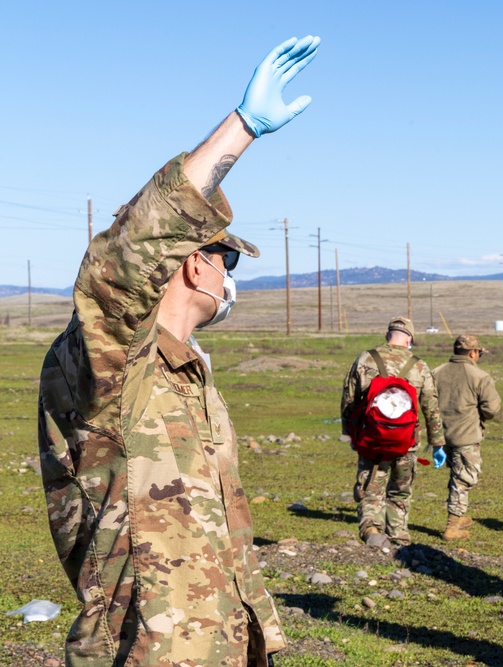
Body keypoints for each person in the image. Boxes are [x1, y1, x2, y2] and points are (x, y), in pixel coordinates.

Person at [37, 36, 320, 666]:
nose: (230, 280)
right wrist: (239, 131)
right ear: (194, 264)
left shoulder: (187, 371)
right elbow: (120, 263)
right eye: (226, 263)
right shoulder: (109, 365)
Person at [341, 317, 445, 547]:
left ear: (387, 335)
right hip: (406, 442)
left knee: (371, 487)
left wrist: (349, 432)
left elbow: (349, 398)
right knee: (400, 491)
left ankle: (371, 530)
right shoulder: (419, 365)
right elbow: (431, 406)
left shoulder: (365, 358)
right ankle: (399, 537)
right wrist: (438, 443)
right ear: (409, 339)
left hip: (371, 438)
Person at [431, 334, 502, 540]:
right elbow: (492, 408)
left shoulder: (436, 373)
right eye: (478, 353)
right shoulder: (479, 376)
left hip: (442, 436)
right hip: (466, 436)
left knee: (456, 475)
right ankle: (452, 526)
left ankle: (458, 514)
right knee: (463, 480)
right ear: (472, 353)